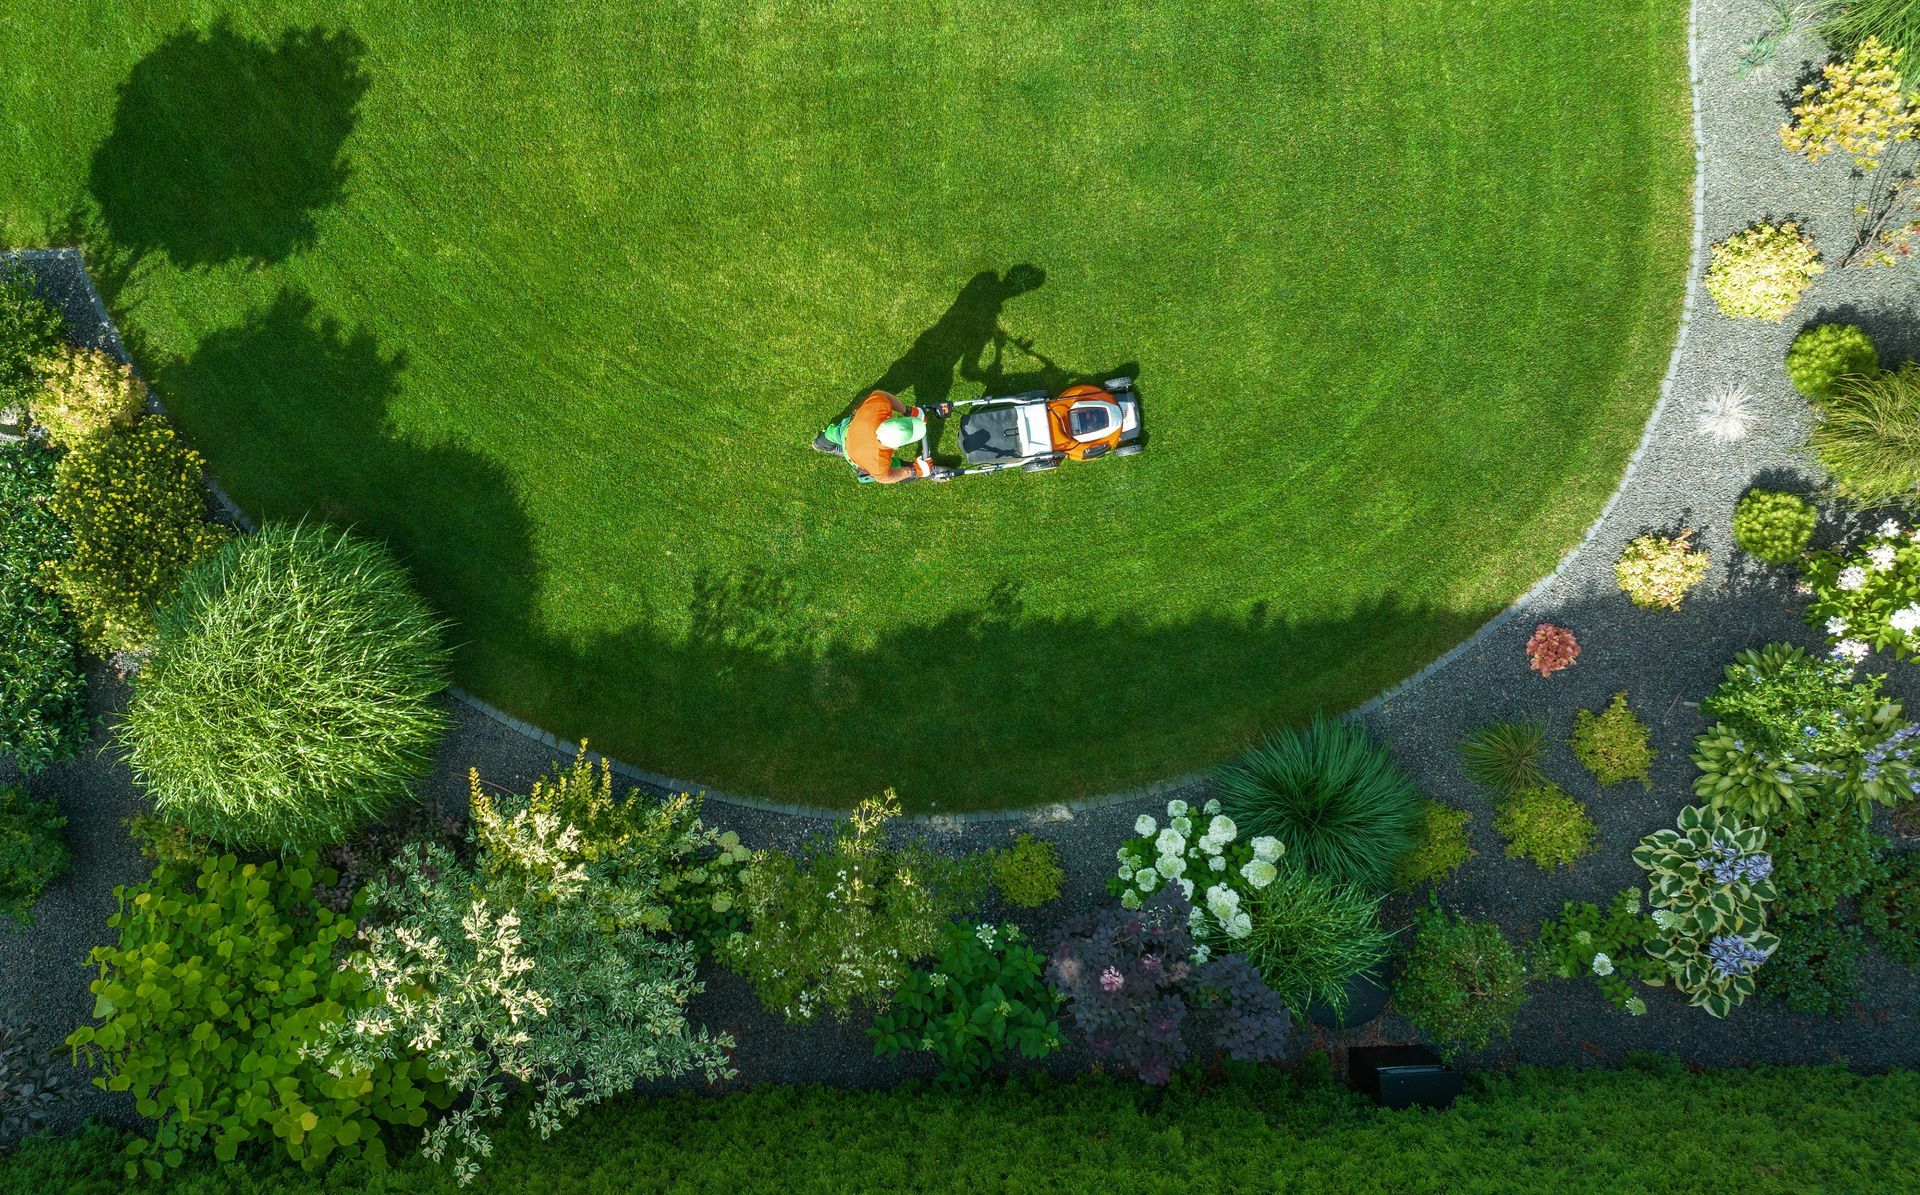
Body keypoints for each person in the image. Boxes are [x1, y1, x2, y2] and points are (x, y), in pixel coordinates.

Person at [813, 389, 940, 483]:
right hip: (852, 455)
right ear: (895, 447)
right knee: (894, 467)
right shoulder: (878, 462)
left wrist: (909, 411)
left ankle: (821, 443)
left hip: (848, 429)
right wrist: (913, 471)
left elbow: (882, 394)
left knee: (833, 433)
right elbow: (886, 477)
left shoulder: (878, 407)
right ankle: (920, 471)